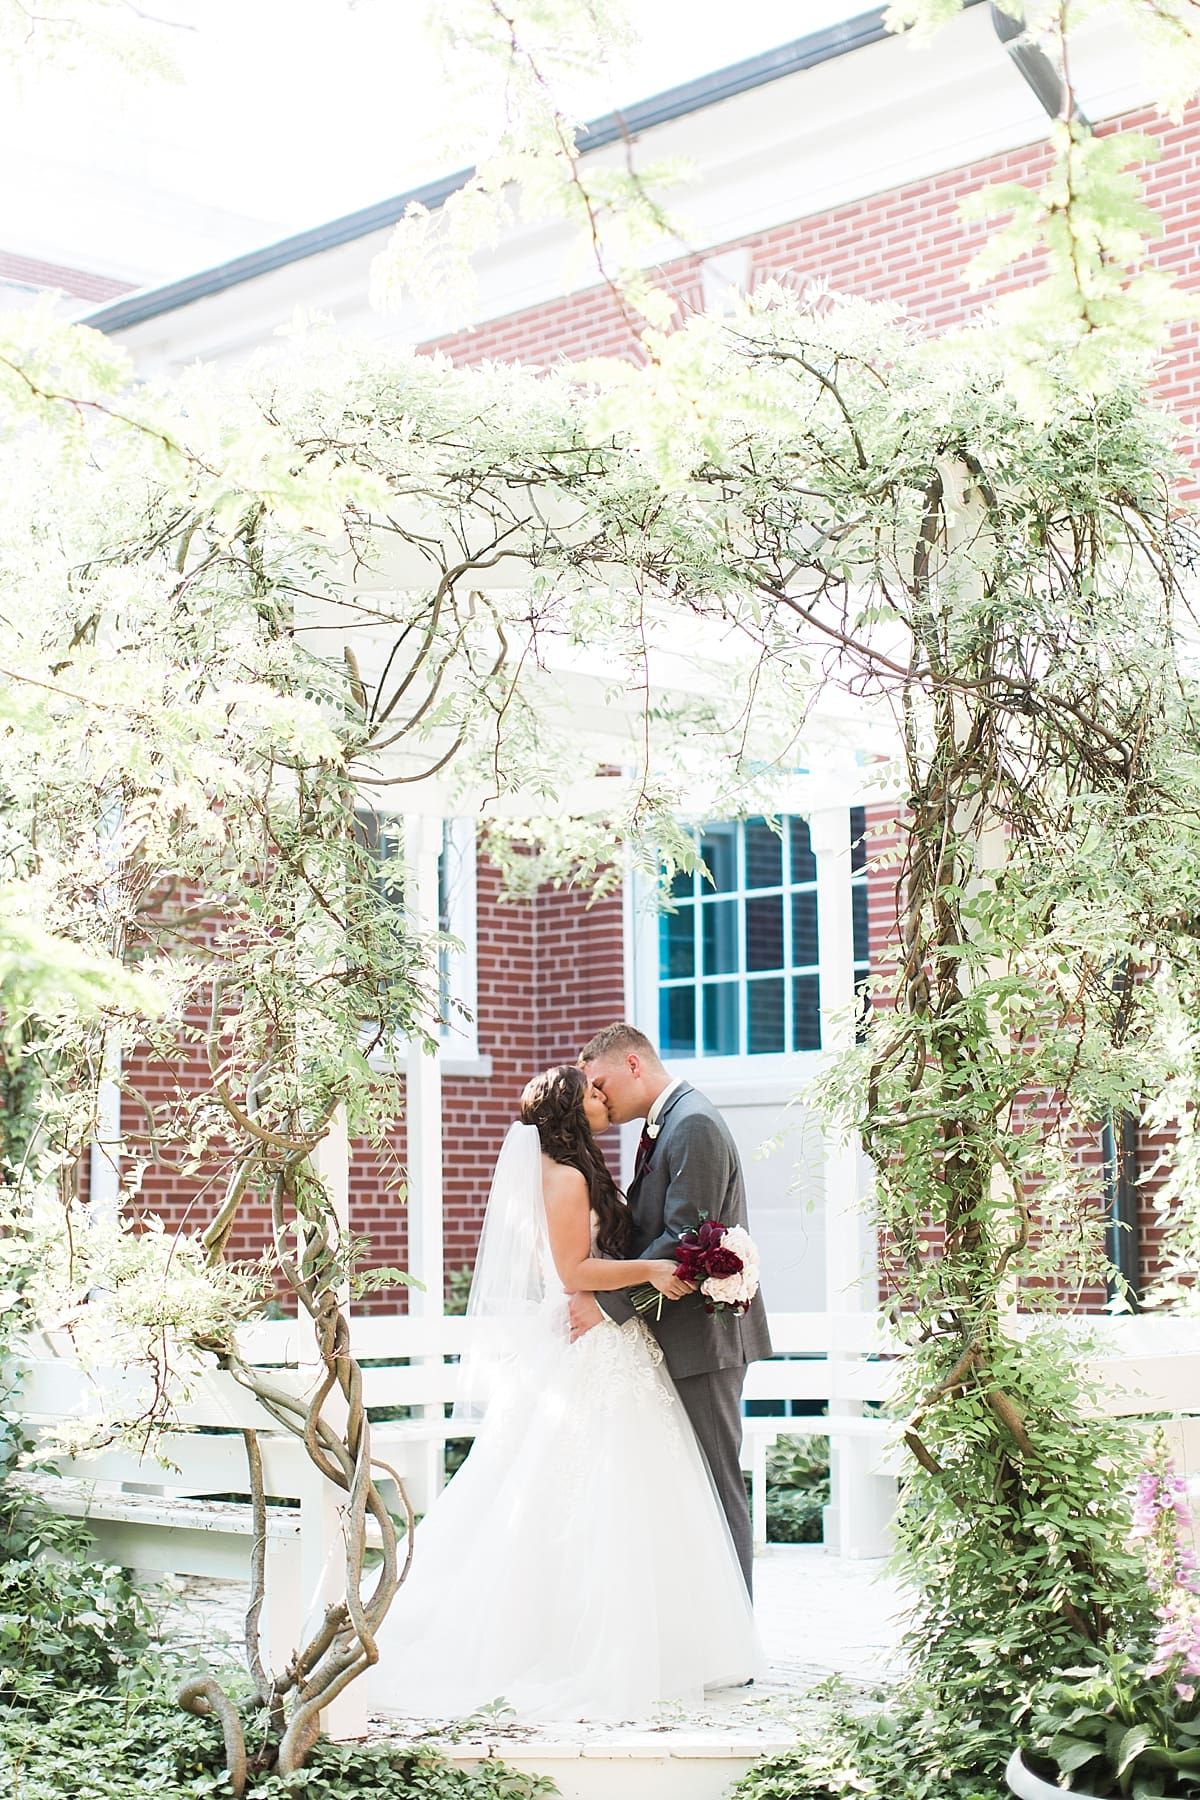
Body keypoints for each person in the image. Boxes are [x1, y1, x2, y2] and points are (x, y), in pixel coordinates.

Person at [363, 1064, 761, 1723]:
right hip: (593, 1347)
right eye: (593, 1095)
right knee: (591, 1495)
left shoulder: (585, 1166)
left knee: (643, 1496)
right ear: (573, 1112)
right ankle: (581, 1642)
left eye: (603, 1088)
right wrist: (653, 1270)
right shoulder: (565, 1175)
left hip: (614, 1346)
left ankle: (682, 1642)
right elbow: (574, 1269)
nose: (604, 1101)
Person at [575, 1023, 772, 1595]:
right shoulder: (668, 1125)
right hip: (674, 1331)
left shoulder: (695, 1124)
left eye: (601, 1081)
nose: (600, 1096)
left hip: (704, 1339)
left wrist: (608, 1304)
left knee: (716, 1483)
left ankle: (737, 1632)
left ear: (634, 1065)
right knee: (687, 1488)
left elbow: (688, 1237)